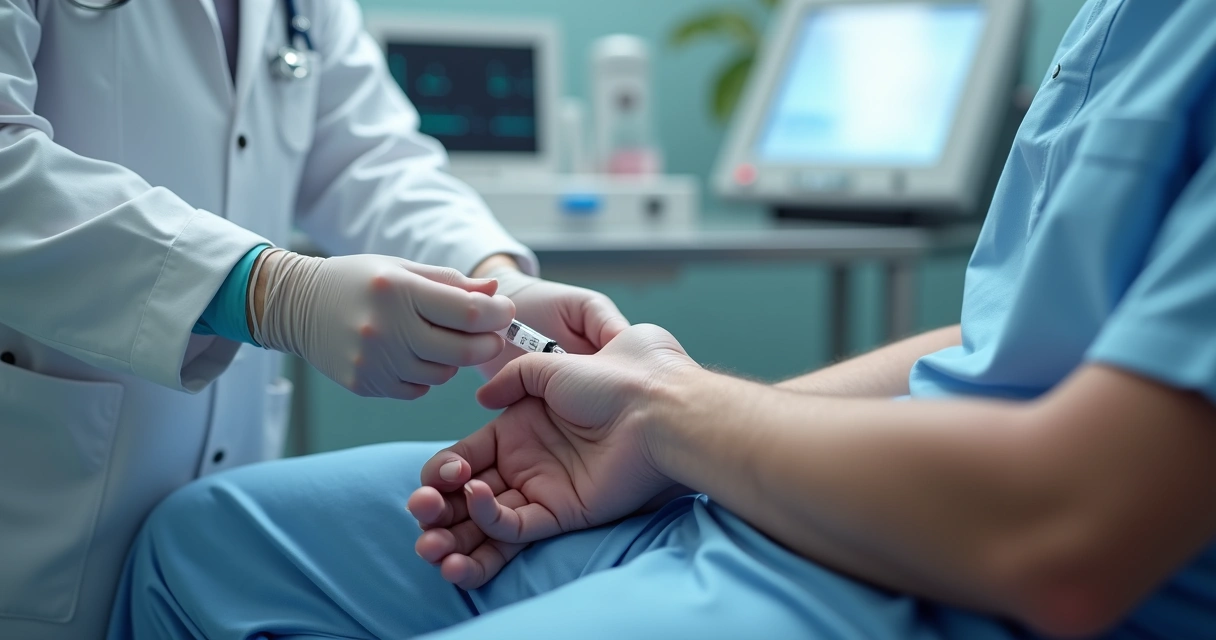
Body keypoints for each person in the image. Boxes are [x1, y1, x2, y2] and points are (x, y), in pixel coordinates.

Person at [108, 0, 1216, 638]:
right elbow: (1010, 333)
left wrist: (670, 410)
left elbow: (1071, 529)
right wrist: (691, 438)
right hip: (812, 498)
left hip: (950, 563)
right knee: (204, 546)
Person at [0, 1, 627, 638]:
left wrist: (498, 280)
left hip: (210, 525)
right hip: (37, 502)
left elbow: (371, 161)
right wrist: (268, 292)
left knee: (200, 572)